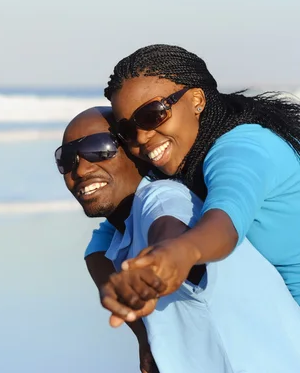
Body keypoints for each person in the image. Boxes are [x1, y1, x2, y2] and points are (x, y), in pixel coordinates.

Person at [58, 107, 300, 373]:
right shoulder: (118, 230)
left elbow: (169, 230)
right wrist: (143, 338)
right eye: (67, 159)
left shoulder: (163, 196)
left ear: (135, 151)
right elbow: (96, 252)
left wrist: (161, 262)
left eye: (99, 148)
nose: (80, 169)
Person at [90, 44, 300, 324]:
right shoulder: (186, 159)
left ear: (197, 100)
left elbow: (224, 223)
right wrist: (139, 330)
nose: (141, 137)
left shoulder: (242, 150)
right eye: (127, 130)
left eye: (152, 114)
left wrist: (180, 253)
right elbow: (102, 242)